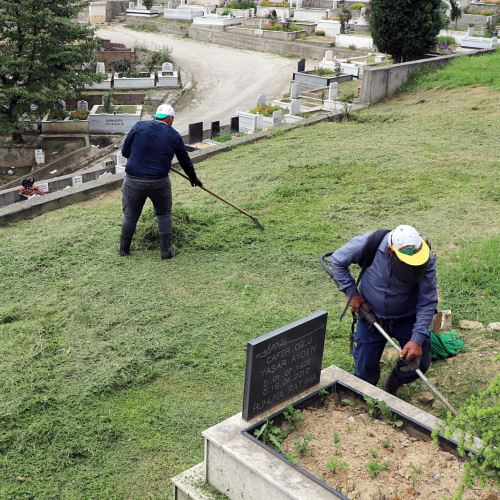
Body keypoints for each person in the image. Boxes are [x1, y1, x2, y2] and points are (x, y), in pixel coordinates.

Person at [331, 225, 438, 395]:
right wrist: (353, 294)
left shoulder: (425, 258)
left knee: (419, 363)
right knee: (364, 370)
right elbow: (337, 261)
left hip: (407, 318)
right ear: (390, 251)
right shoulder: (370, 243)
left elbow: (427, 301)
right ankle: (366, 399)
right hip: (371, 316)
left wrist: (417, 340)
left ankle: (394, 382)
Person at [119, 104, 202, 259]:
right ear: (170, 118)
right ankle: (165, 251)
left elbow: (125, 152)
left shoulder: (139, 126)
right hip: (159, 182)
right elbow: (184, 160)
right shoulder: (174, 135)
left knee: (130, 215)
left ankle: (123, 250)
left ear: (156, 116)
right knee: (164, 214)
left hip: (133, 180)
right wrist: (193, 178)